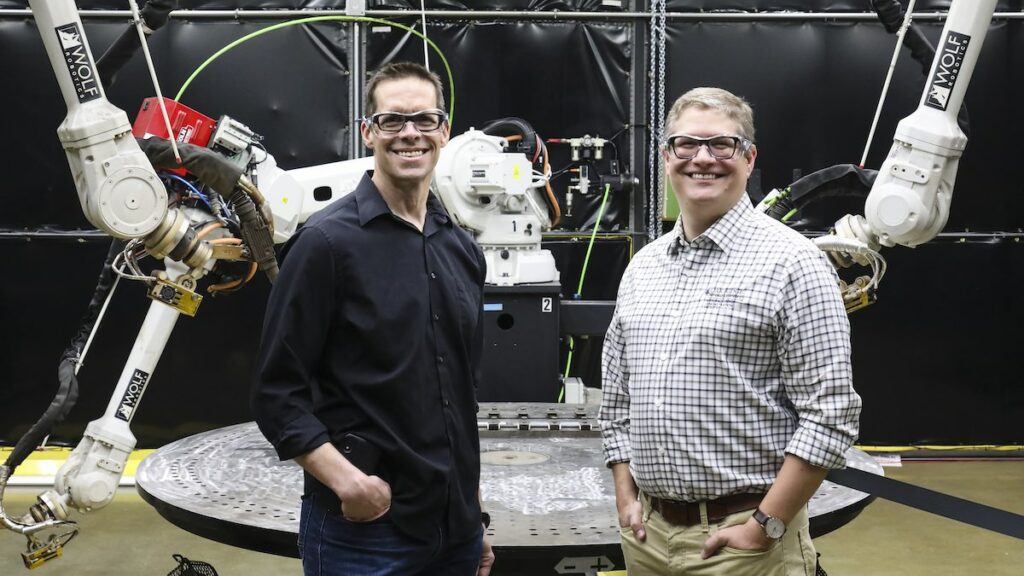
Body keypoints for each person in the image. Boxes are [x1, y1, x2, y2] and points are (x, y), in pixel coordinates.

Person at [599, 87, 862, 575]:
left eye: (722, 145)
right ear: (666, 156)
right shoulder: (644, 266)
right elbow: (617, 400)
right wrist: (626, 499)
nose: (703, 158)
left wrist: (765, 525)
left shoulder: (793, 262)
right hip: (647, 539)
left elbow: (830, 415)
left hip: (743, 545)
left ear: (748, 157)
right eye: (686, 145)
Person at [251, 61, 494, 576]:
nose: (410, 133)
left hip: (454, 530)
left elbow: (459, 399)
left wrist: (473, 517)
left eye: (425, 120)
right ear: (368, 133)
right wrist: (348, 482)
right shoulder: (325, 245)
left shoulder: (462, 251)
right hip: (362, 533)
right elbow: (276, 394)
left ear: (445, 131)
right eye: (392, 121)